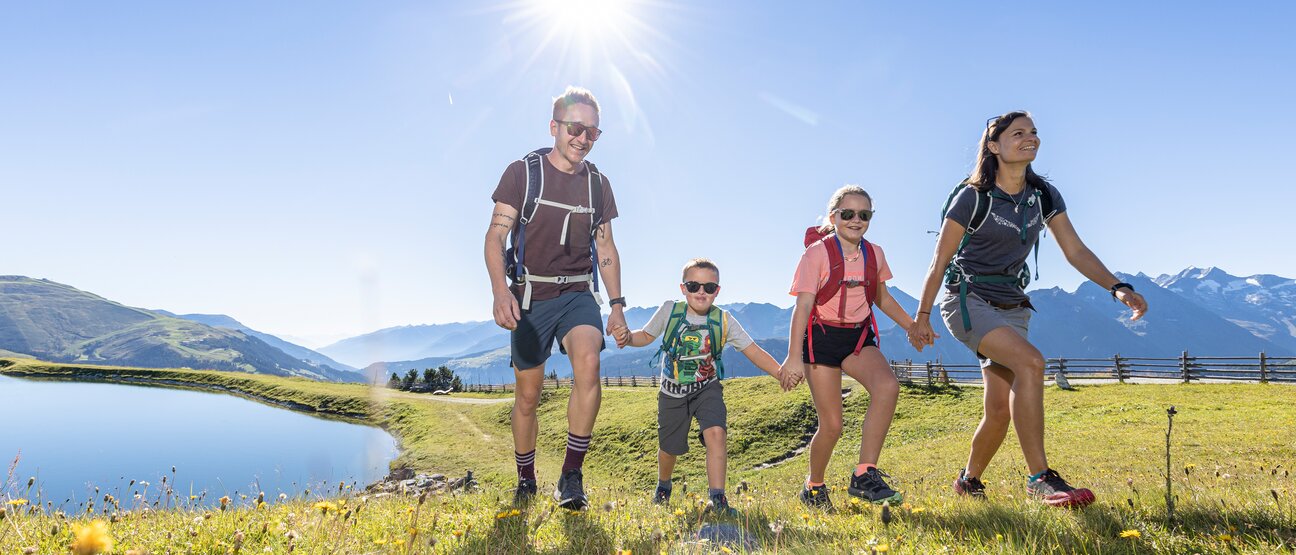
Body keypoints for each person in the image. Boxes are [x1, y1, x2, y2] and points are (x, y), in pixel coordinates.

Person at [909, 111, 1148, 507]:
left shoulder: (1044, 196)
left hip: (1013, 305)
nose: (1030, 138)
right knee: (1032, 363)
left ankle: (968, 481)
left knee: (1000, 410)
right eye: (1018, 133)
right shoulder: (973, 196)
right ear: (994, 146)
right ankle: (1040, 478)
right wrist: (921, 317)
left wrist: (1117, 287)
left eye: (1034, 132)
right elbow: (939, 261)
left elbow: (1075, 250)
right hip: (968, 301)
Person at [483, 86, 627, 510]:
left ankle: (571, 476)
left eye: (592, 133)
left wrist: (617, 305)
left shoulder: (598, 185)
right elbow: (495, 236)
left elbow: (606, 249)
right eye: (575, 128)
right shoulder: (522, 174)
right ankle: (526, 477)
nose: (583, 138)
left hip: (578, 291)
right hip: (529, 295)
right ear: (554, 128)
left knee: (589, 362)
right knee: (528, 396)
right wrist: (499, 291)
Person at [610, 258, 794, 515]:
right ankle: (664, 485)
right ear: (683, 288)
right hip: (671, 392)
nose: (701, 292)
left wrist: (779, 372)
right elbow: (646, 335)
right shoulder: (669, 311)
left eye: (709, 287)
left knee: (716, 433)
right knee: (668, 449)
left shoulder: (725, 320)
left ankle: (717, 499)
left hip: (707, 388)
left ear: (717, 291)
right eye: (693, 285)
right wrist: (628, 338)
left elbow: (753, 350)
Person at [781, 185, 914, 510]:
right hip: (821, 338)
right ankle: (814, 487)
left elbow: (881, 297)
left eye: (864, 214)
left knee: (887, 387)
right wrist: (793, 357)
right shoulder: (816, 254)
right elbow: (803, 305)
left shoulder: (874, 253)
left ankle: (865, 474)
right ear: (834, 217)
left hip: (857, 337)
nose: (856, 219)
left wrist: (912, 325)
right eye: (848, 213)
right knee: (833, 425)